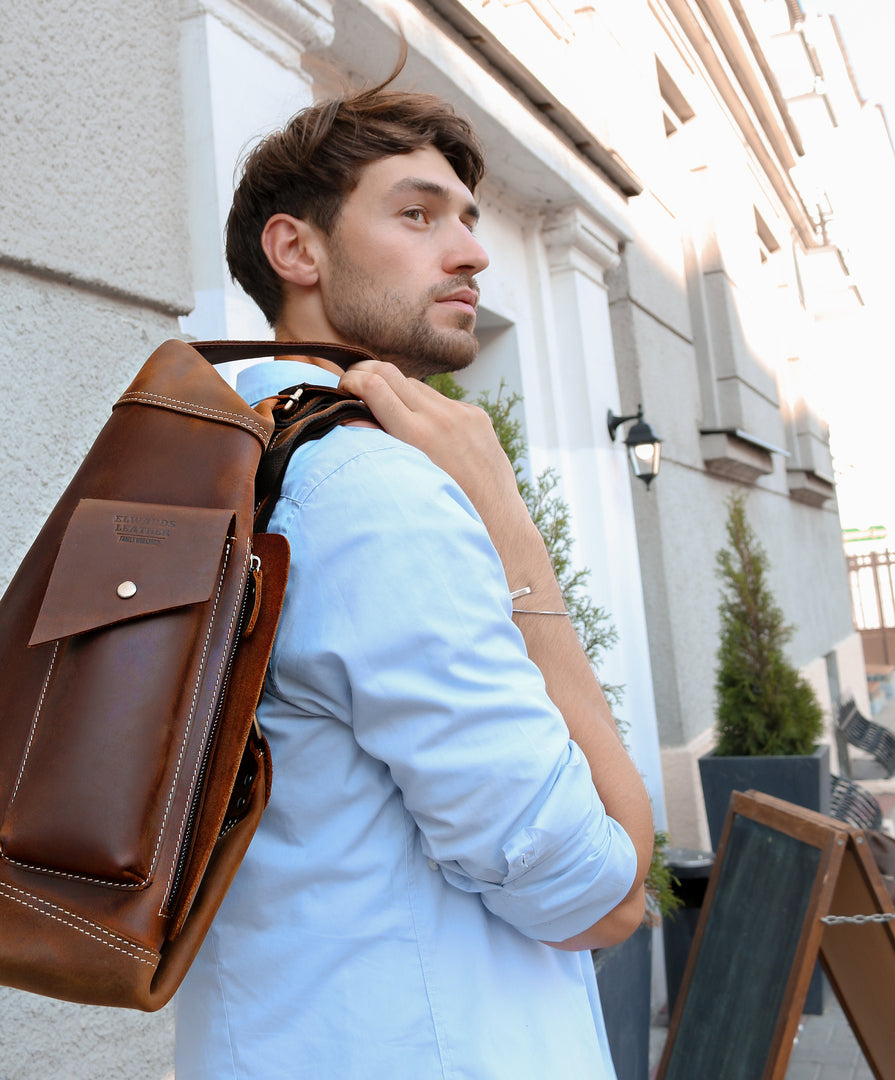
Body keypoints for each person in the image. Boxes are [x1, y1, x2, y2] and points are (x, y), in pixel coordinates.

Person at [172, 74, 654, 1079]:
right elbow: (597, 895)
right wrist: (512, 529)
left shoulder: (233, 454)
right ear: (296, 249)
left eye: (470, 220)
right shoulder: (370, 491)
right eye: (417, 213)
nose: (473, 250)